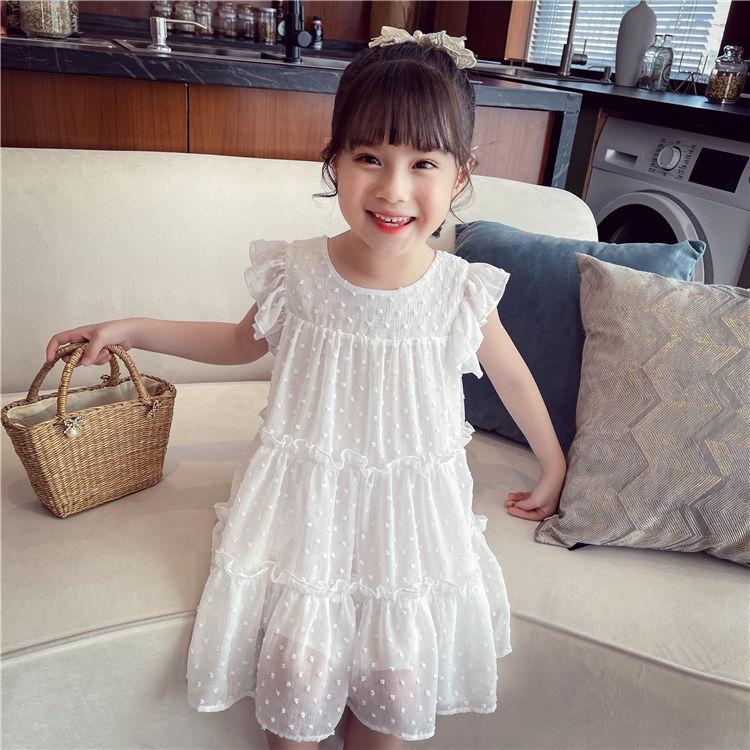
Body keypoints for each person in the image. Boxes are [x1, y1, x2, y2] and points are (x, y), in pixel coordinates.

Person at [44, 26, 567, 750]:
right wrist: (130, 328)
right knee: (296, 686)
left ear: (460, 175)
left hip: (407, 529)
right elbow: (235, 344)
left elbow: (510, 375)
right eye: (369, 158)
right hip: (306, 516)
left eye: (423, 163)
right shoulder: (298, 272)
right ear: (334, 160)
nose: (393, 188)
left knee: (392, 697)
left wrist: (553, 463)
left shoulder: (459, 291)